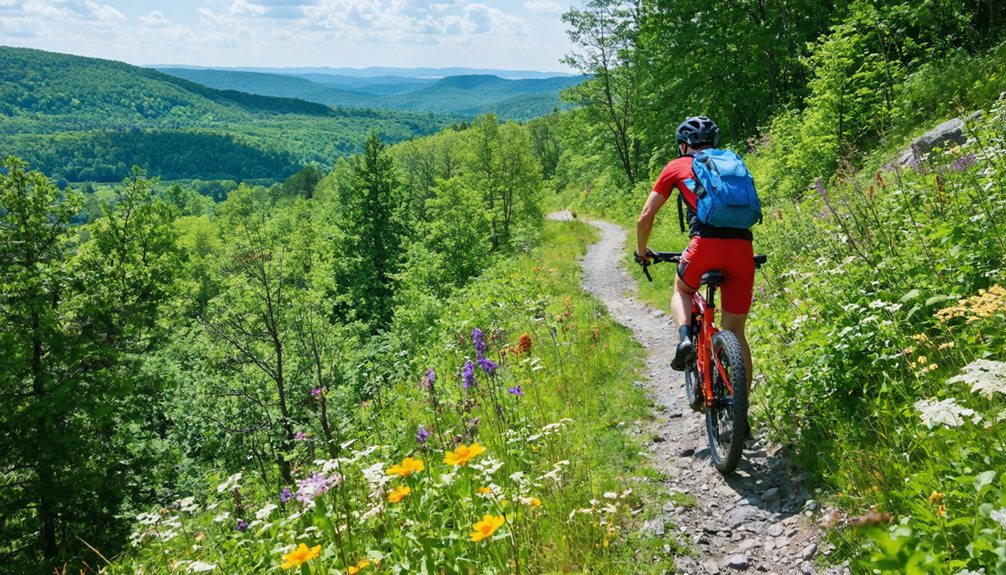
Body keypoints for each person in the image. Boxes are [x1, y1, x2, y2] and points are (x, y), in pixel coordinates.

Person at [635, 115, 755, 387]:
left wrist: (642, 251)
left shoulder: (676, 166)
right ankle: (741, 411)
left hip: (704, 246)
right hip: (742, 248)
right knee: (736, 333)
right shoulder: (732, 164)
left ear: (683, 145)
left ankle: (686, 339)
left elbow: (645, 217)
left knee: (683, 289)